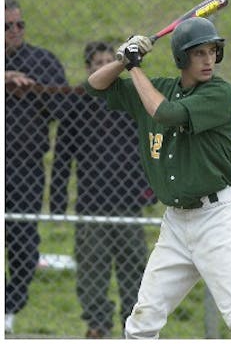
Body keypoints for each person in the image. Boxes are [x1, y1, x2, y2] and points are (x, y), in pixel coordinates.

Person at [85, 16, 231, 338]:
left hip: (216, 220)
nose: (208, 60)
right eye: (199, 53)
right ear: (182, 57)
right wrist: (122, 59)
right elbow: (95, 85)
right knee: (141, 324)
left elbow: (167, 114)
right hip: (176, 223)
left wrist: (135, 68)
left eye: (213, 51)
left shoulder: (220, 93)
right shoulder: (160, 88)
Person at [51, 41, 153, 339]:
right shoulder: (78, 103)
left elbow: (149, 147)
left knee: (134, 266)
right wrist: (58, 204)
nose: (104, 66)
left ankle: (130, 325)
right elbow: (61, 158)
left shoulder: (131, 99)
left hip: (128, 203)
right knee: (91, 270)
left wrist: (148, 190)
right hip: (91, 203)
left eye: (112, 61)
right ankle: (97, 323)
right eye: (98, 62)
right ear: (89, 68)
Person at [3, 0, 67, 335]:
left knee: (25, 247)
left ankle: (9, 307)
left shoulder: (42, 61)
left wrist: (32, 89)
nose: (15, 31)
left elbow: (61, 109)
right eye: (6, 26)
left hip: (26, 167)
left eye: (19, 24)